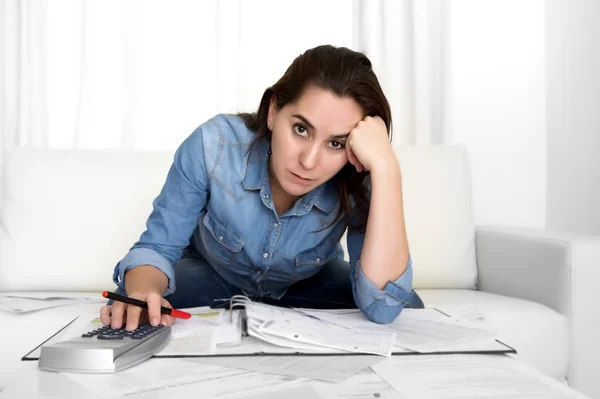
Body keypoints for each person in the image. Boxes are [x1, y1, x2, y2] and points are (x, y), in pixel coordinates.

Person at [100, 44, 424, 332]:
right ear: (272, 112)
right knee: (136, 298)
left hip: (306, 285)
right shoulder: (213, 146)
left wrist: (386, 169)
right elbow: (157, 248)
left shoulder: (359, 172)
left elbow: (383, 305)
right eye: (300, 129)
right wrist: (143, 293)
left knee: (407, 307)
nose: (309, 161)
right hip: (210, 275)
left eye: (336, 143)